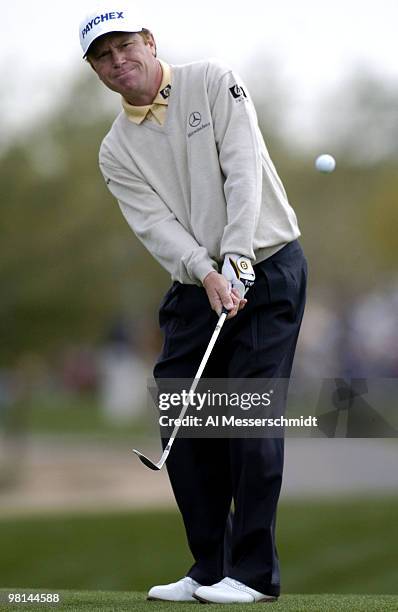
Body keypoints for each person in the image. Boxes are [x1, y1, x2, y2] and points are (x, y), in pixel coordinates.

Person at [79, 4, 307, 605]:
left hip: (267, 264)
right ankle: (210, 568)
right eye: (102, 56)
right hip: (195, 283)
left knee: (247, 417)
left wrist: (235, 258)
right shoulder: (114, 150)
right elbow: (155, 226)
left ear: (150, 42)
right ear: (96, 71)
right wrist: (206, 271)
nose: (116, 60)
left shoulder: (212, 80)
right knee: (181, 415)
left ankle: (255, 575)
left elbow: (242, 171)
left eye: (124, 46)